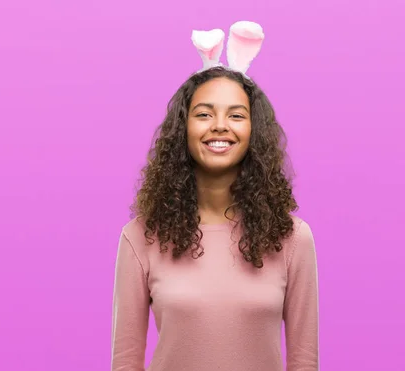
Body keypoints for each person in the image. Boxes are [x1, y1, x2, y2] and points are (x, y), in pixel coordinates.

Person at [111, 21, 319, 371]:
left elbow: (303, 361)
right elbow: (125, 362)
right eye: (204, 114)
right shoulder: (140, 237)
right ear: (184, 129)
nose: (219, 125)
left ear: (254, 131)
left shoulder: (294, 238)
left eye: (236, 115)